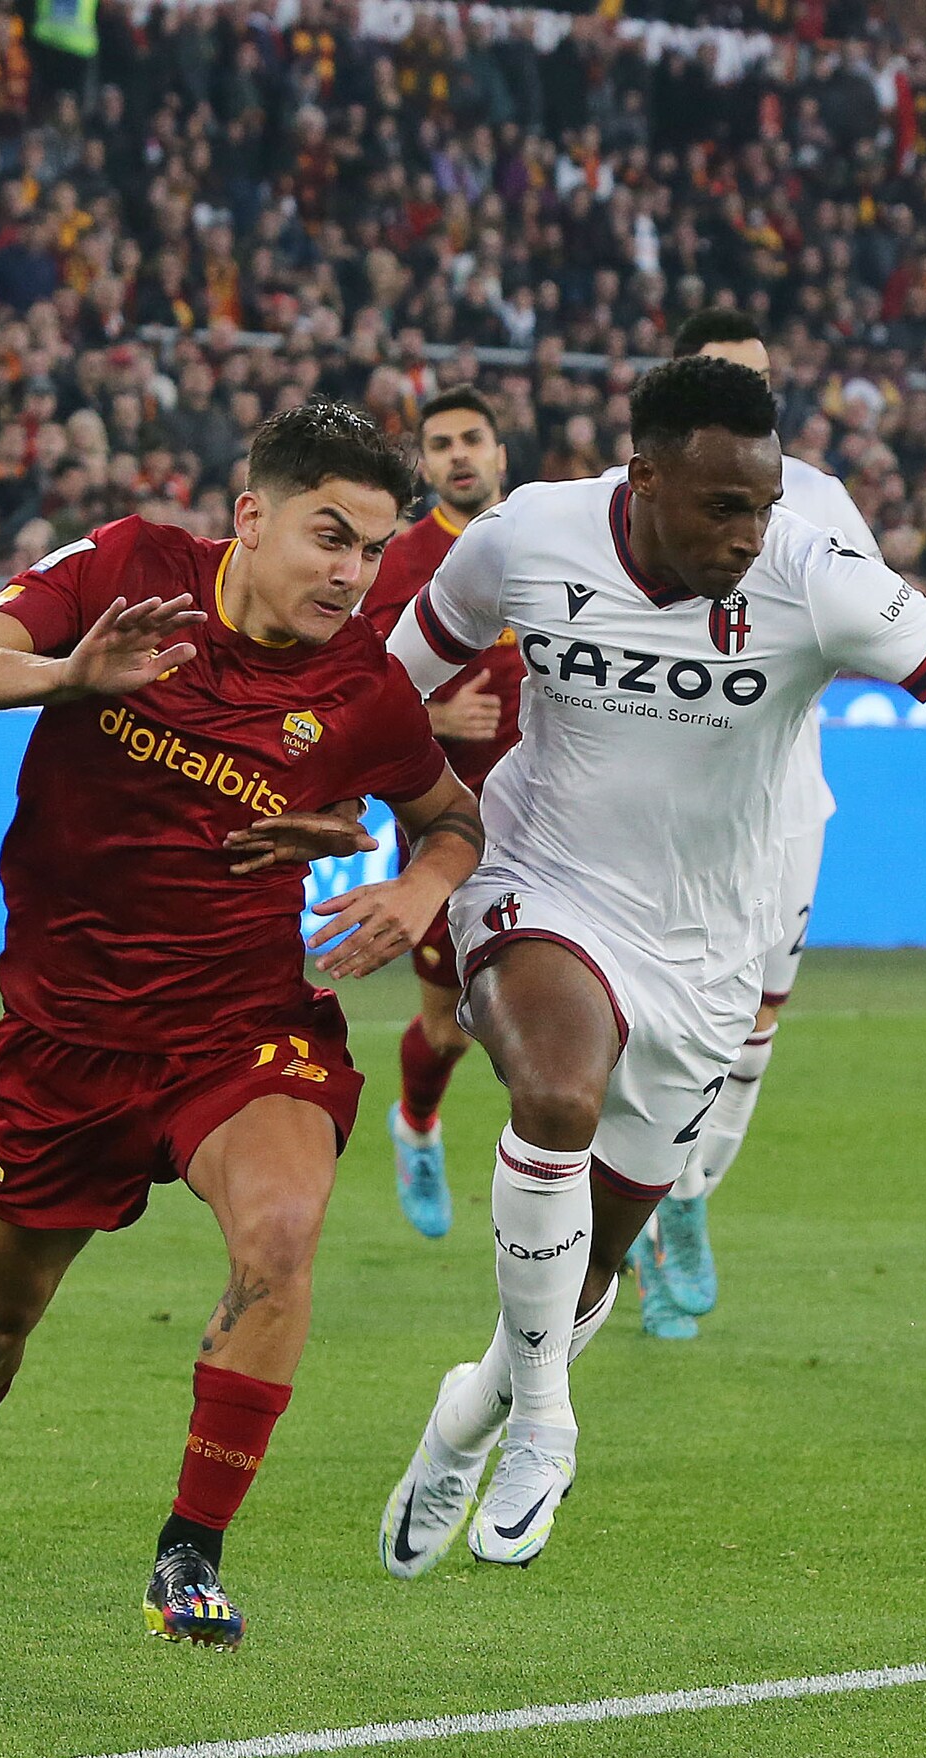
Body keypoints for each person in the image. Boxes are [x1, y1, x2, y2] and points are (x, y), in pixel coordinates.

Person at [375, 358, 926, 1576]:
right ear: (643, 477)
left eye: (763, 503)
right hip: (539, 874)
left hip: (709, 943)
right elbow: (386, 675)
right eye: (722, 505)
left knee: (594, 1257)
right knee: (554, 1093)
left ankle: (472, 1409)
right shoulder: (524, 537)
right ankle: (545, 1427)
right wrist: (326, 786)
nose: (747, 531)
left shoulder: (809, 578)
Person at [0, 404, 483, 1652]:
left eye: (372, 549)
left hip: (238, 1024)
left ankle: (189, 1552)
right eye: (329, 536)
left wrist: (414, 883)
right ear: (250, 516)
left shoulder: (360, 686)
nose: (350, 573)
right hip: (66, 1034)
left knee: (281, 1232)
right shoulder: (130, 570)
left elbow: (450, 816)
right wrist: (65, 675)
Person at [629, 308, 880, 1340]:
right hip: (663, 802)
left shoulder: (816, 499)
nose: (749, 393)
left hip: (786, 804)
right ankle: (637, 1209)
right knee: (656, 1024)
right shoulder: (635, 496)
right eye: (724, 373)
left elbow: (870, 625)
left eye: (761, 378)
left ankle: (682, 1206)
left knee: (754, 1029)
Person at [360, 388, 526, 1238]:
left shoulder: (549, 543)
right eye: (441, 443)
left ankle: (613, 1205)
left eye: (472, 438)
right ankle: (417, 1125)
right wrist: (431, 714)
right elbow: (357, 684)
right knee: (448, 1029)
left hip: (555, 823)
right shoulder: (399, 562)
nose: (458, 454)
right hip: (445, 826)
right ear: (424, 464)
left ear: (500, 453)